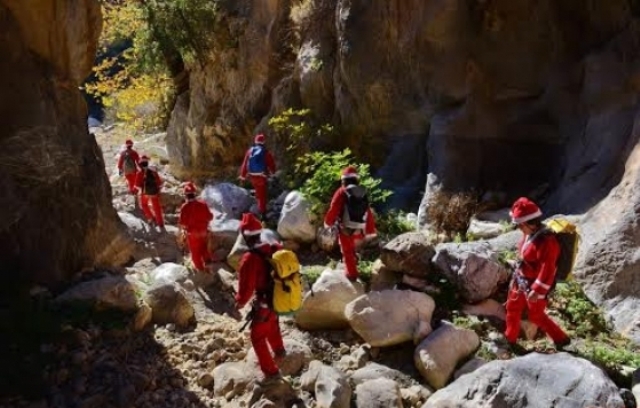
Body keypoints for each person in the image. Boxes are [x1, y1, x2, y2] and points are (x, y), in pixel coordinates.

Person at [505, 197, 570, 350]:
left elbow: (548, 268)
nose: (519, 229)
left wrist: (537, 290)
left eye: (520, 225)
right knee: (512, 308)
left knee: (536, 316)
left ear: (530, 223)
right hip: (520, 280)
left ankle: (561, 338)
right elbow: (526, 255)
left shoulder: (548, 242)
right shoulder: (529, 234)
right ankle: (510, 339)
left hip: (534, 286)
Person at [235, 213, 286, 383]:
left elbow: (246, 289)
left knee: (257, 336)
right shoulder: (275, 247)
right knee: (272, 323)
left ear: (244, 235)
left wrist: (239, 302)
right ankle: (279, 351)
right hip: (279, 297)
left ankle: (271, 373)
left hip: (264, 301)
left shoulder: (249, 259)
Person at [323, 166, 377, 281]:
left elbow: (334, 208)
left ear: (343, 179)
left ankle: (351, 275)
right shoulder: (361, 191)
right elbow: (367, 211)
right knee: (352, 248)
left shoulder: (341, 191)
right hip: (360, 228)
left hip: (345, 229)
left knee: (346, 251)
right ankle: (355, 260)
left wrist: (328, 223)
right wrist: (371, 229)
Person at [239, 134, 276, 221]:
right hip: (262, 177)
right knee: (262, 194)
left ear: (255, 141)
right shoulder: (265, 152)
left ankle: (257, 206)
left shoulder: (250, 151)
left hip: (252, 176)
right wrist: (273, 172)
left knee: (258, 191)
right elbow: (271, 164)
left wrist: (242, 176)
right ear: (263, 142)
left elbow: (244, 164)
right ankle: (263, 215)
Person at [178, 182, 214, 272]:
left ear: (185, 195)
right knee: (204, 247)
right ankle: (208, 263)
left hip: (192, 234)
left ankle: (200, 269)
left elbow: (182, 222)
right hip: (204, 231)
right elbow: (210, 217)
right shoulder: (203, 204)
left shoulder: (184, 207)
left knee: (195, 252)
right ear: (195, 193)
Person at [134, 155, 165, 229]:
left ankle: (151, 217)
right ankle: (160, 223)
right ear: (147, 163)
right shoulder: (153, 172)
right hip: (154, 193)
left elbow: (137, 186)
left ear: (140, 164)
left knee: (144, 205)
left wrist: (135, 191)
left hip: (145, 193)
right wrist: (158, 191)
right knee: (157, 208)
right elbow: (160, 184)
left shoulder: (139, 173)